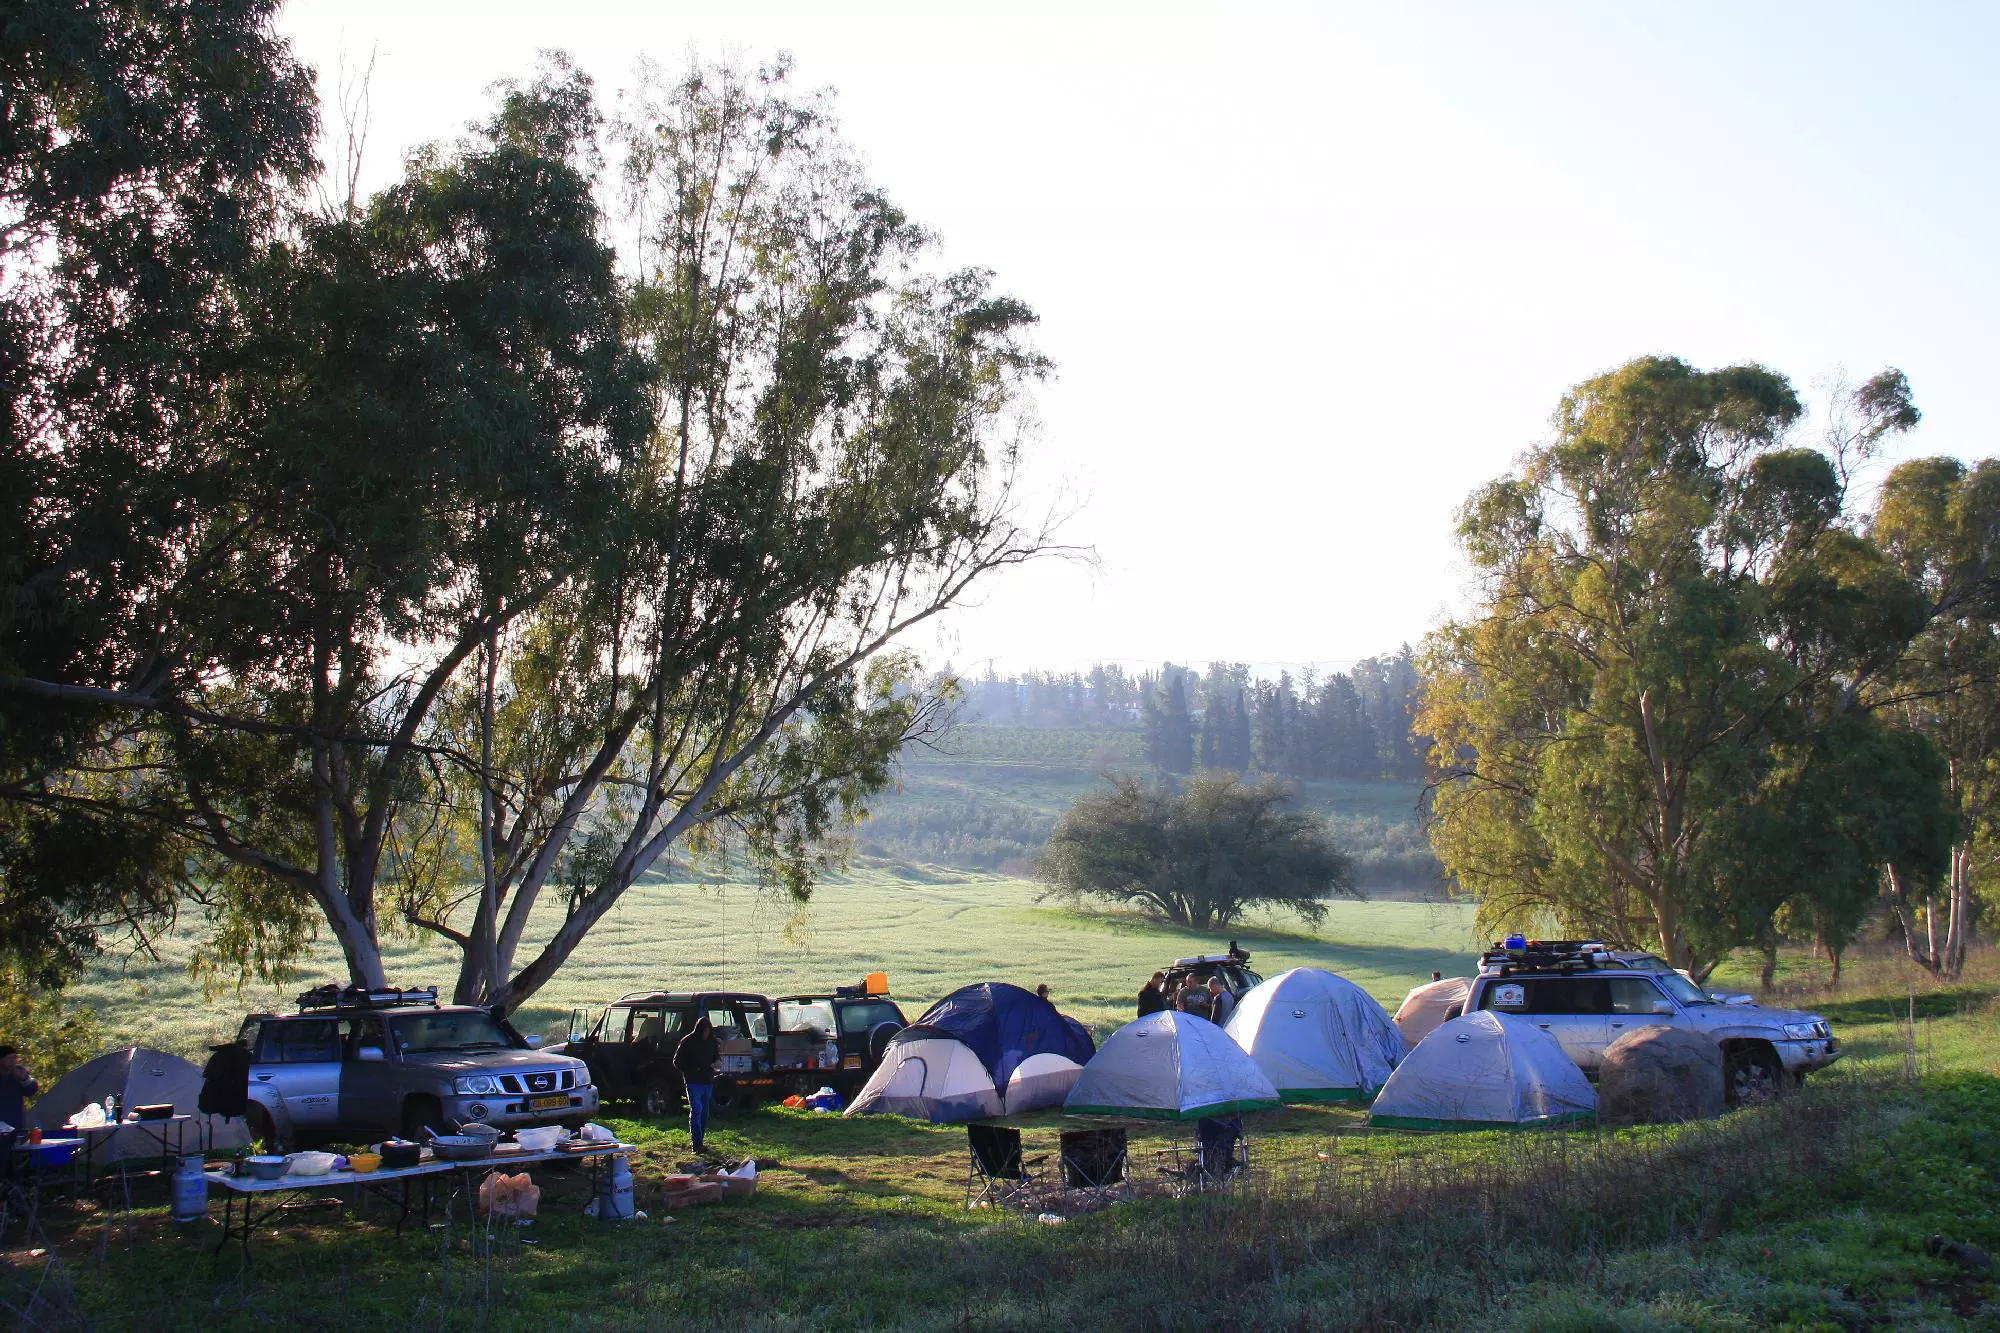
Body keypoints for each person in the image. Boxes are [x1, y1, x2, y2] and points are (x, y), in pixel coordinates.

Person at [674, 1017, 721, 1155]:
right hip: (693, 1082)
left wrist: (717, 1063)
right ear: (699, 1030)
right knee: (696, 1111)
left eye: (708, 1031)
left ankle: (700, 1141)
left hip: (708, 1081)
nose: (706, 1034)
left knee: (704, 1114)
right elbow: (677, 1061)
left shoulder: (712, 1041)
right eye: (704, 1031)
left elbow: (716, 1056)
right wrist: (693, 1070)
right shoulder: (687, 1042)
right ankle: (697, 1145)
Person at [0, 1046, 38, 1132]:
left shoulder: (17, 1076)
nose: (13, 1061)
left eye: (14, 1058)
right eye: (9, 1058)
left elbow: (31, 1091)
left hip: (15, 1126)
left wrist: (24, 1078)